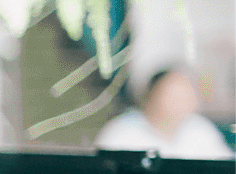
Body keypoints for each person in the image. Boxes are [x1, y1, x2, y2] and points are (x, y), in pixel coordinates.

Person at [94, 66, 235, 159]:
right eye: (172, 95)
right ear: (150, 96)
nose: (179, 102)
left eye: (186, 95)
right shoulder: (121, 133)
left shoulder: (200, 129)